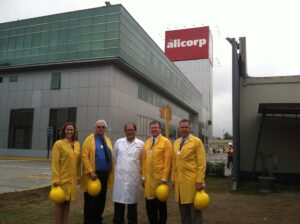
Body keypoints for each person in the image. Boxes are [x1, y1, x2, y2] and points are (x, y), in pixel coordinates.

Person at [172, 119, 206, 224]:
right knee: (183, 212)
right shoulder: (176, 143)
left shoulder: (197, 142)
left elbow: (201, 163)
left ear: (190, 128)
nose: (184, 129)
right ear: (179, 128)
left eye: (186, 127)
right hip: (179, 183)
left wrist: (199, 181)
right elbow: (174, 163)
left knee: (195, 211)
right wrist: (173, 179)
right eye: (182, 127)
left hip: (192, 183)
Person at [81, 120, 114, 224]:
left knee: (101, 199)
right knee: (91, 200)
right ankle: (89, 221)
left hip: (104, 175)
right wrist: (91, 172)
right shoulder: (89, 140)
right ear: (95, 128)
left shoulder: (107, 140)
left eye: (103, 127)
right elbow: (84, 156)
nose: (100, 128)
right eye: (98, 127)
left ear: (105, 129)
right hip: (93, 175)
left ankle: (98, 219)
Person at [112, 122, 145, 224]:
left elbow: (143, 162)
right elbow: (115, 158)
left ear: (135, 131)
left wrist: (143, 177)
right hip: (120, 179)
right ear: (125, 131)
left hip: (133, 179)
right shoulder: (118, 142)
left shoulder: (141, 144)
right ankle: (118, 221)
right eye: (127, 129)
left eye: (132, 129)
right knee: (119, 204)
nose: (130, 131)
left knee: (132, 205)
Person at [142, 120, 172, 224]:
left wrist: (164, 178)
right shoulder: (147, 142)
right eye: (152, 128)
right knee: (150, 208)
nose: (154, 129)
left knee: (161, 208)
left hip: (160, 182)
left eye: (156, 128)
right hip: (149, 182)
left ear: (160, 129)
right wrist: (143, 177)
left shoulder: (166, 142)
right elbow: (144, 161)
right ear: (150, 129)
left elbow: (168, 162)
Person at [51, 122, 81, 224]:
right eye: (67, 129)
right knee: (60, 203)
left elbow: (78, 163)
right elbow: (55, 163)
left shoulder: (77, 144)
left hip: (72, 180)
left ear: (74, 131)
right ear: (64, 131)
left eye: (71, 130)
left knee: (67, 203)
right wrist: (56, 179)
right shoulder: (58, 144)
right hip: (61, 179)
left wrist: (78, 177)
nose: (69, 131)